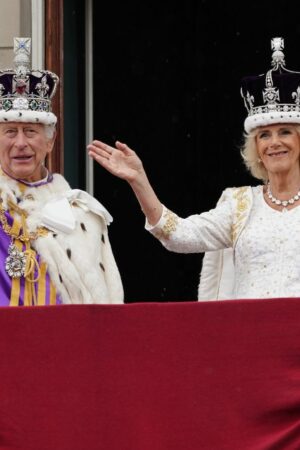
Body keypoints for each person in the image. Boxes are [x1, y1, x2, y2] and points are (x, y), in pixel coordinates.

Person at [88, 36, 300, 301]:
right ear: (256, 147)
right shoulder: (241, 205)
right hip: (251, 336)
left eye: (285, 132)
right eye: (264, 135)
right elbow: (177, 235)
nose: (275, 142)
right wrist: (139, 180)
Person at [0, 37, 123, 306]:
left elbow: (106, 306)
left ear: (50, 141)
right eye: (10, 132)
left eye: (31, 131)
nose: (20, 143)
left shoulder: (83, 214)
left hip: (63, 344)